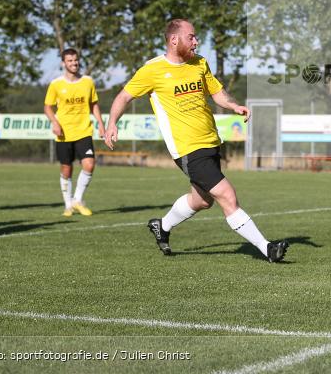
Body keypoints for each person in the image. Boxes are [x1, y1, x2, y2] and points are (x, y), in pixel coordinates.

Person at [104, 19, 288, 262]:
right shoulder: (152, 69)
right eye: (191, 37)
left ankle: (162, 226)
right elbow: (123, 96)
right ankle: (267, 249)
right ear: (174, 40)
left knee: (201, 201)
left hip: (211, 141)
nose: (196, 41)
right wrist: (111, 123)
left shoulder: (200, 63)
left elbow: (216, 92)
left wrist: (233, 105)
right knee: (227, 196)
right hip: (187, 148)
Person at [43, 49, 106, 217]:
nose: (74, 63)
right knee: (66, 169)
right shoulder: (56, 84)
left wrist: (100, 123)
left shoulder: (88, 82)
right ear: (64, 63)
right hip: (63, 133)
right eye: (70, 61)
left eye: (76, 60)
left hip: (84, 131)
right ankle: (68, 205)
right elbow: (47, 107)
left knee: (89, 164)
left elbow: (94, 104)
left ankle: (77, 199)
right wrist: (54, 123)